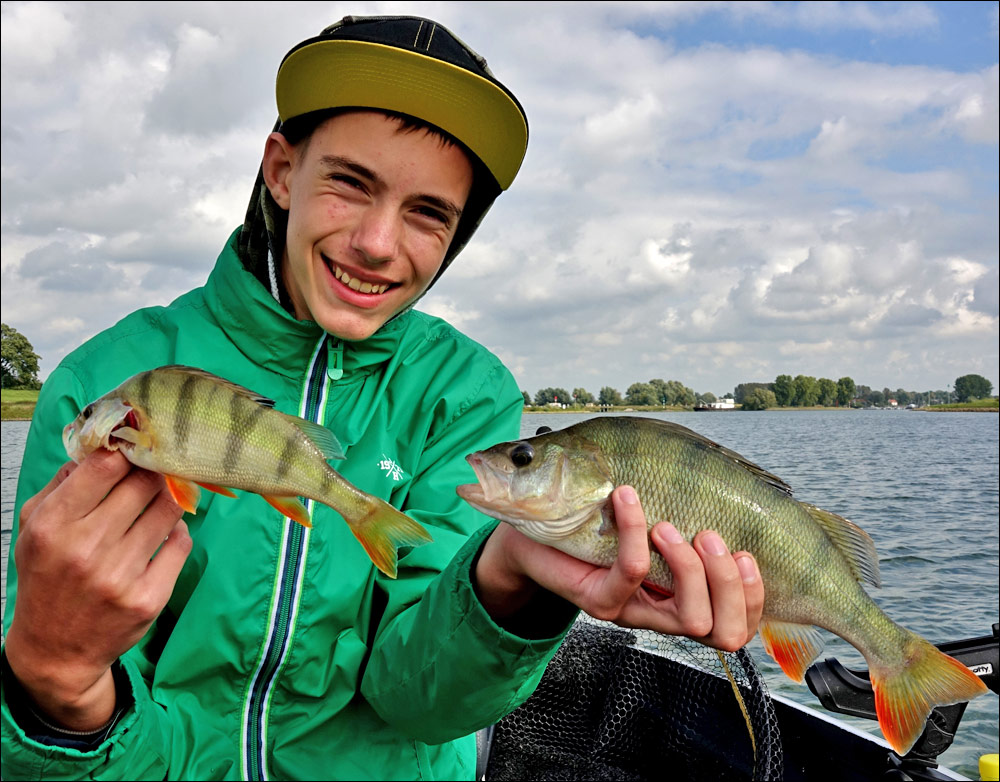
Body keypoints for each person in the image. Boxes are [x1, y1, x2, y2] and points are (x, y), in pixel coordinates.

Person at [1, 15, 764, 780]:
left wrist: (510, 581)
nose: (376, 242)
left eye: (428, 213)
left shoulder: (465, 394)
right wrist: (54, 678)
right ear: (280, 170)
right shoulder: (99, 384)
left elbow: (418, 701)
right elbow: (57, 704)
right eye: (349, 183)